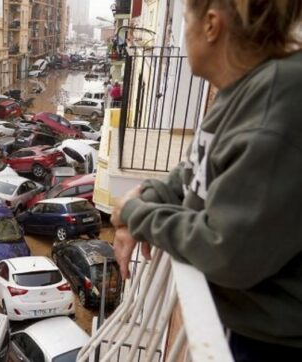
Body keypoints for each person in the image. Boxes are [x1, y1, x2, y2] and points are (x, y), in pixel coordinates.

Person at [110, 1, 302, 361]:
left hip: (272, 345)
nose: (183, 34)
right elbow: (194, 170)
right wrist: (151, 195)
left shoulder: (277, 99)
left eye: (185, 21)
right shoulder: (243, 88)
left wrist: (135, 212)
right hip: (246, 329)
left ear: (211, 26)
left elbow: (225, 249)